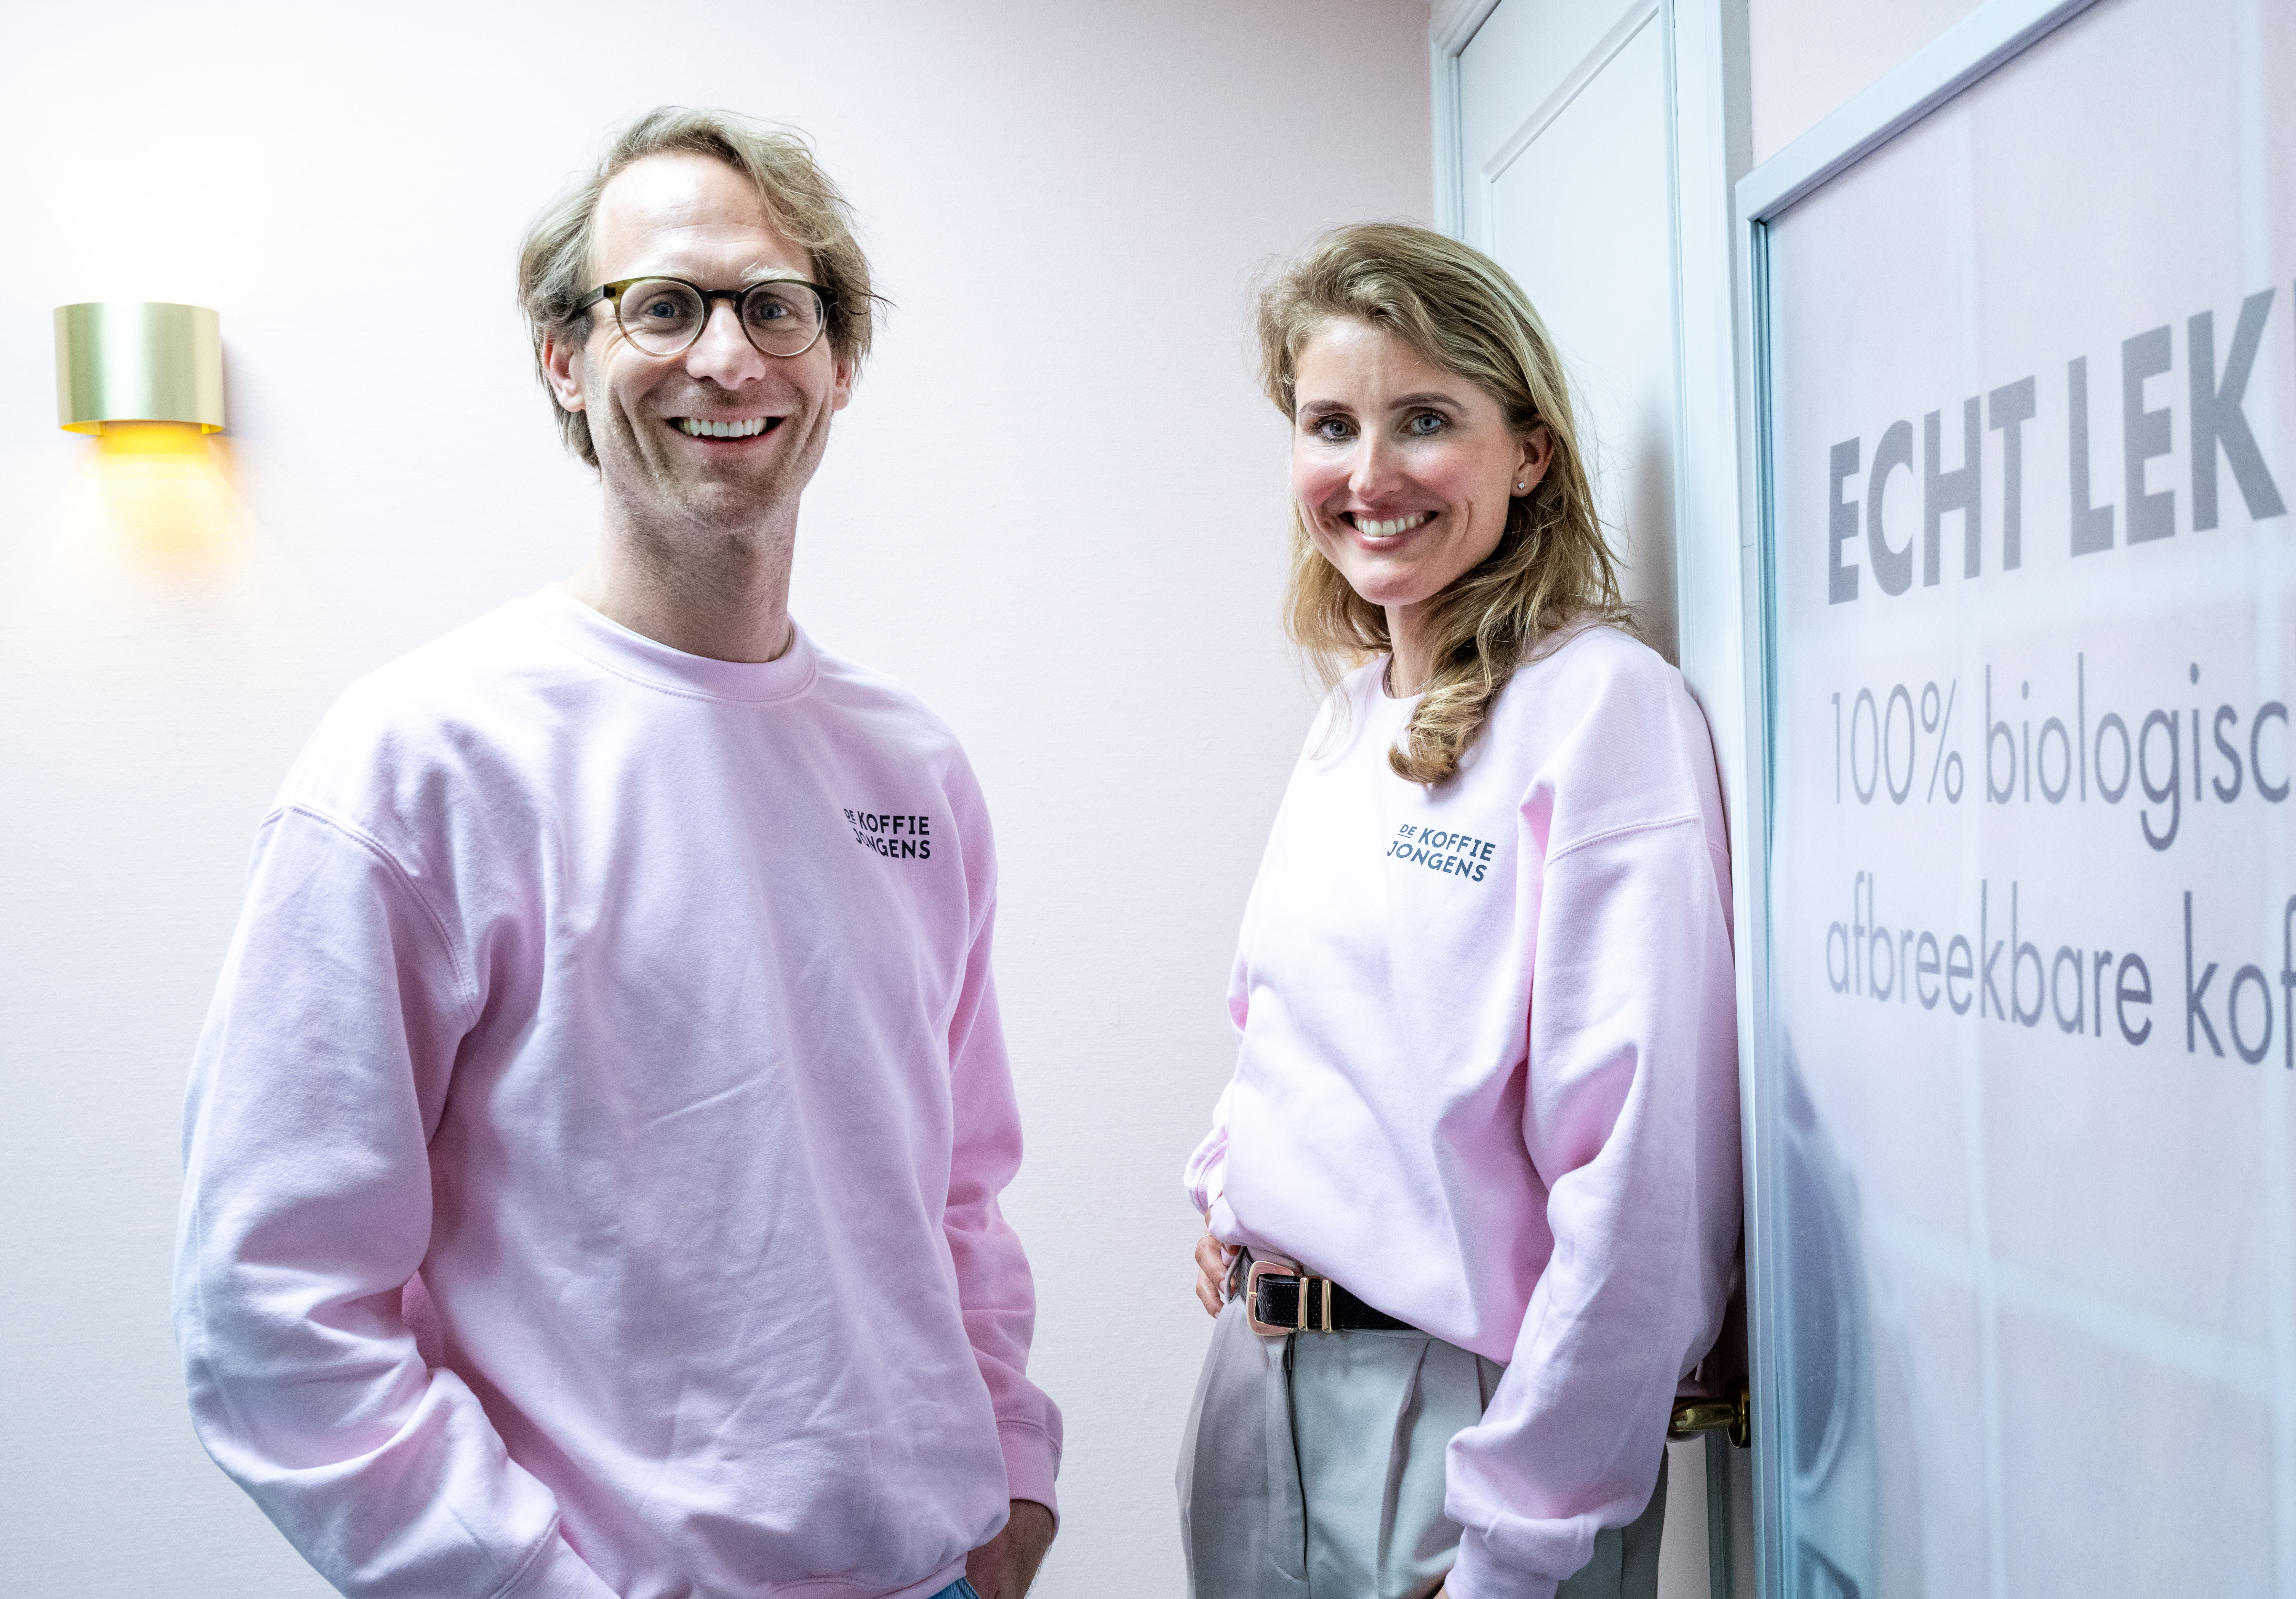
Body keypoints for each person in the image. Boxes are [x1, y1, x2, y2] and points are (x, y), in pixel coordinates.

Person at [172, 108, 1059, 1599]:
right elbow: (274, 1304)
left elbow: (957, 1193)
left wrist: (1012, 1490)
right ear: (564, 359)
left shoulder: (913, 767)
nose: (728, 357)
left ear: (840, 362)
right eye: (664, 304)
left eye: (779, 305)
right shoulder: (418, 761)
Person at [1176, 223, 1742, 1599]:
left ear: (1528, 449)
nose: (1368, 476)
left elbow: (1646, 1180)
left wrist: (1520, 1534)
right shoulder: (1354, 714)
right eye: (1330, 424)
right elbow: (1306, 1020)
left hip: (1463, 1430)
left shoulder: (1602, 710)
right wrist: (1229, 1181)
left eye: (1424, 421)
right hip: (1261, 1389)